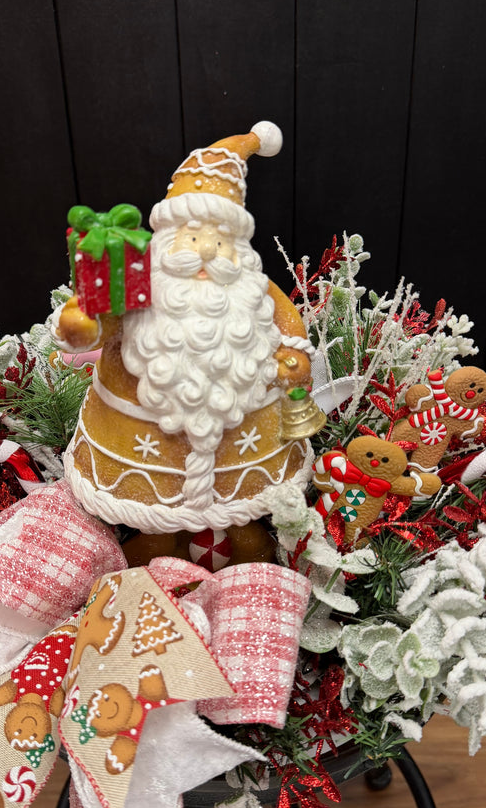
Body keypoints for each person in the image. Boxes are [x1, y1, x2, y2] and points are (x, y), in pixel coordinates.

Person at [55, 122, 316, 535]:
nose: (208, 250)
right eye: (193, 237)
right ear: (167, 240)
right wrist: (82, 324)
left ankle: (243, 534)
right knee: (153, 529)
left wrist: (296, 358)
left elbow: (290, 330)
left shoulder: (253, 290)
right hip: (140, 460)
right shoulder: (140, 283)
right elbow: (99, 326)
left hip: (250, 460)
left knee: (246, 522)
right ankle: (156, 539)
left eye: (220, 239)